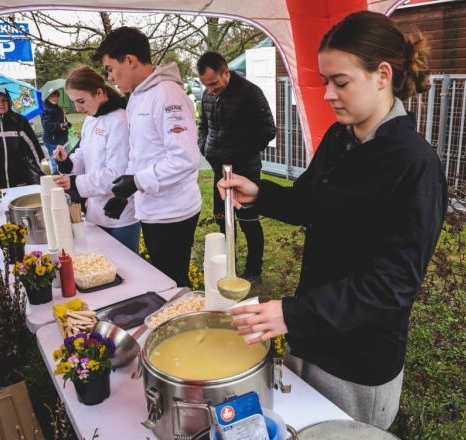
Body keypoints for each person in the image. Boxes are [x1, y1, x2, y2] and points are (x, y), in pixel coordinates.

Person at [220, 11, 447, 430]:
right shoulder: (341, 138)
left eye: (340, 82)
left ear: (382, 75)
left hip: (358, 358)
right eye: (326, 81)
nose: (327, 94)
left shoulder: (414, 164)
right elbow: (310, 203)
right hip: (310, 335)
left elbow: (392, 283)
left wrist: (292, 314)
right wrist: (260, 193)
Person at [93, 27, 202, 288]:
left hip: (173, 212)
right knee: (162, 278)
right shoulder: (137, 97)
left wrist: (137, 182)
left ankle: (183, 323)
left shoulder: (167, 94)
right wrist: (124, 194)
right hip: (152, 208)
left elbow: (185, 158)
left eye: (110, 68)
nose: (110, 77)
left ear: (130, 61)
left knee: (172, 282)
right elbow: (140, 153)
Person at [197, 52, 276, 284]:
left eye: (214, 83)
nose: (210, 89)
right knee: (222, 220)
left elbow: (268, 130)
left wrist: (239, 156)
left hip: (245, 171)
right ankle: (227, 265)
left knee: (248, 221)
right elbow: (204, 125)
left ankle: (254, 271)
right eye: (206, 85)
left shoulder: (251, 93)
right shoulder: (207, 95)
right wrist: (204, 146)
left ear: (226, 73)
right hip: (219, 172)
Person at [51, 66, 140, 254]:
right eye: (74, 102)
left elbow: (117, 174)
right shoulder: (91, 119)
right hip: (96, 210)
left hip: (121, 211)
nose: (77, 108)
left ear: (99, 92)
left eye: (81, 101)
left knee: (127, 267)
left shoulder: (119, 120)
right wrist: (67, 162)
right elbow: (84, 154)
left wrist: (75, 182)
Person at [41, 89, 71, 174]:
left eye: (56, 96)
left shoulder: (58, 108)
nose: (54, 98)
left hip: (61, 140)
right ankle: (56, 181)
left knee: (63, 161)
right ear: (47, 98)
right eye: (51, 97)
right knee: (56, 164)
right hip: (52, 141)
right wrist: (60, 126)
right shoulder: (46, 110)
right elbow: (46, 125)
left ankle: (63, 179)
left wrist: (67, 124)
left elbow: (62, 120)